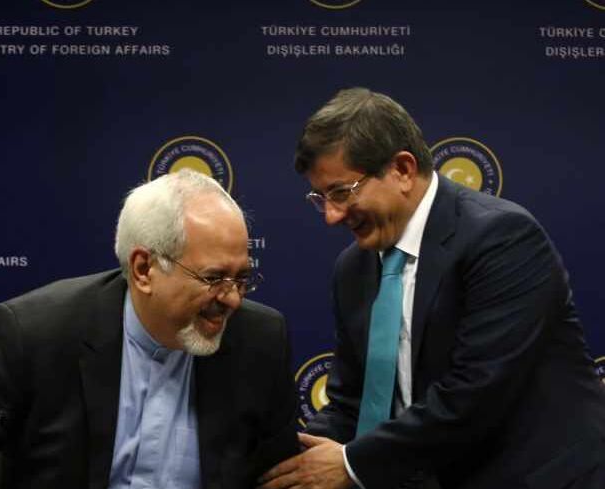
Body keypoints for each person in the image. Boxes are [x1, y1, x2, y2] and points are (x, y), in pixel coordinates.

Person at [259, 88, 605, 489]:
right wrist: (287, 461)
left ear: (403, 170)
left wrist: (352, 465)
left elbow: (476, 395)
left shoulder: (501, 238)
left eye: (341, 193)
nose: (332, 217)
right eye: (320, 198)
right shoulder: (353, 269)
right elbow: (354, 403)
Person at [0, 169, 299, 488]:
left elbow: (282, 481)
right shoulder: (32, 335)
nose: (231, 298)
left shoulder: (259, 341)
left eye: (242, 278)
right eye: (214, 278)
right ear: (144, 270)